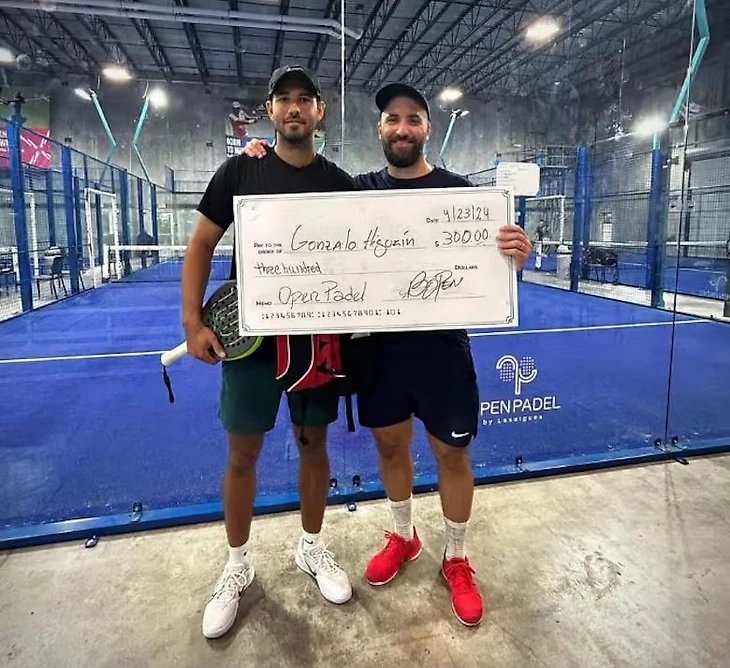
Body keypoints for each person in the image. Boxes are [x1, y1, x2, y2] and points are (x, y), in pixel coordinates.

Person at [243, 82, 532, 627]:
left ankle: (456, 557)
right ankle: (404, 536)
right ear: (379, 129)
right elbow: (299, 204)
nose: (402, 128)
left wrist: (516, 255)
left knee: (452, 455)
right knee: (392, 447)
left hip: (442, 352)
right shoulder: (357, 191)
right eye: (392, 119)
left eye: (413, 119)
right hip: (377, 353)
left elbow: (495, 269)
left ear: (427, 129)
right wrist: (259, 156)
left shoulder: (462, 195)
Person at [182, 65, 356, 640]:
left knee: (313, 445)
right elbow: (202, 244)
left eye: (305, 99)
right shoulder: (241, 170)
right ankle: (237, 565)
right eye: (284, 99)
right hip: (251, 343)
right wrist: (192, 321)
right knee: (242, 454)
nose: (294, 108)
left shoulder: (340, 184)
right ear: (270, 109)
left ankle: (312, 547)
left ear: (320, 111)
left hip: (316, 341)